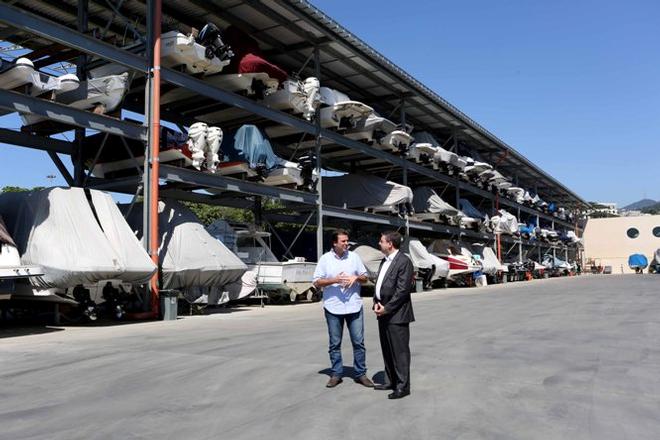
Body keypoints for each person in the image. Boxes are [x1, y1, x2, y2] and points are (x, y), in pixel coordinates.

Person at [313, 229, 373, 388]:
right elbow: (317, 282)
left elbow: (365, 278)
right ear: (334, 243)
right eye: (343, 241)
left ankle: (361, 374)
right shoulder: (325, 259)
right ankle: (336, 373)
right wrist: (334, 280)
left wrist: (356, 278)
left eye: (347, 241)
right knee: (334, 343)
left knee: (358, 342)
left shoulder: (354, 257)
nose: (347, 244)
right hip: (333, 307)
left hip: (354, 306)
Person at [373, 231, 415, 399]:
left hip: (396, 315)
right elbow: (380, 284)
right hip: (382, 311)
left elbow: (402, 291)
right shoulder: (385, 261)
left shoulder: (404, 261)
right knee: (387, 349)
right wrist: (376, 302)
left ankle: (403, 386)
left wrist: (387, 308)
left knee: (400, 352)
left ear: (390, 244)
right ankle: (390, 380)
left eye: (381, 241)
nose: (379, 243)